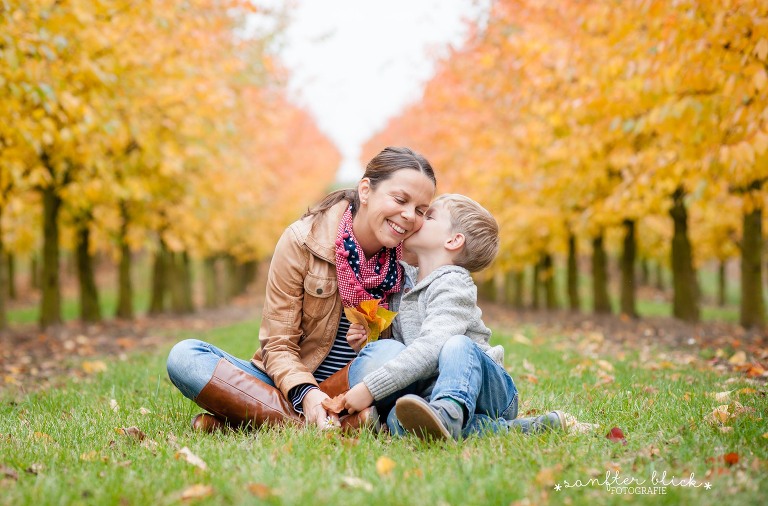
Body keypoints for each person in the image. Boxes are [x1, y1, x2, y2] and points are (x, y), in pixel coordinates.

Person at [166, 146, 436, 431]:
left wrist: (369, 344)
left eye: (420, 210)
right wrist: (305, 392)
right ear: (366, 190)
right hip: (288, 383)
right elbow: (278, 344)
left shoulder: (410, 259)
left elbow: (411, 353)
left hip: (356, 388)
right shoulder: (303, 240)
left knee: (391, 355)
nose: (409, 216)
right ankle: (333, 423)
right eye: (400, 199)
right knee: (185, 357)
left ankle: (251, 421)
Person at [343, 194, 596, 440]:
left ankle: (449, 414)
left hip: (489, 391)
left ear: (453, 240)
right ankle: (516, 429)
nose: (417, 220)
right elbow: (401, 350)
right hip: (431, 393)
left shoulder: (454, 283)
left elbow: (431, 347)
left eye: (429, 216)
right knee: (398, 420)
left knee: (456, 344)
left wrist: (370, 388)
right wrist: (367, 343)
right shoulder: (402, 282)